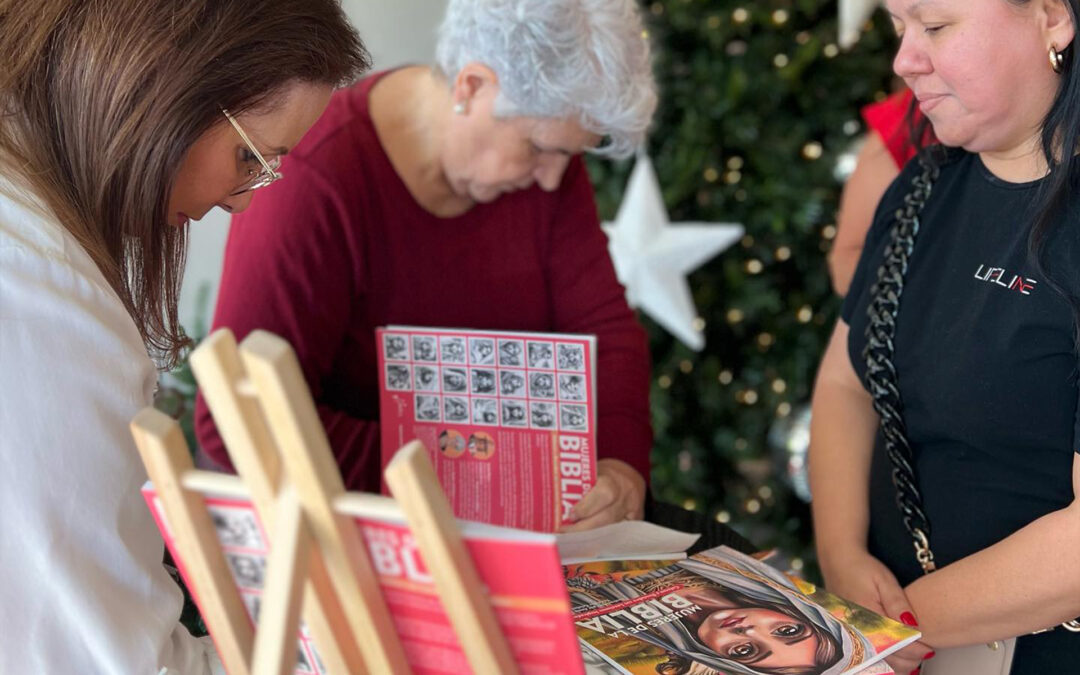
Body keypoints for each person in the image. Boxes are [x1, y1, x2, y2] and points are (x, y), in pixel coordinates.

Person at [0, 1, 369, 671]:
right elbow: (108, 651)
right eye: (250, 156)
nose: (243, 198)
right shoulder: (49, 300)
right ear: (167, 90)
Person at [195, 0, 658, 531]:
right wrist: (476, 470)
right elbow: (236, 420)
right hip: (348, 530)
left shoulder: (547, 170)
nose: (554, 179)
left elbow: (605, 332)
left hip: (505, 520)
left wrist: (621, 467)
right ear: (471, 87)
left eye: (569, 156)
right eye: (538, 148)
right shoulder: (318, 177)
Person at [809, 1, 1080, 674]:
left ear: (1051, 17)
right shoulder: (919, 190)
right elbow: (846, 383)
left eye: (934, 26)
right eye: (898, 27)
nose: (905, 58)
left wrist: (897, 623)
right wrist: (842, 558)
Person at [570, 552, 876, 675]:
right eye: (788, 632)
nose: (749, 632)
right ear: (797, 614)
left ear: (719, 659)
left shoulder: (635, 642)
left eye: (745, 651)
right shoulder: (738, 568)